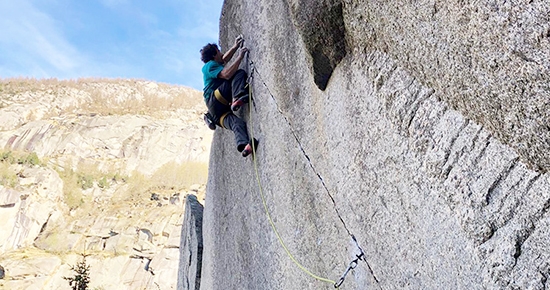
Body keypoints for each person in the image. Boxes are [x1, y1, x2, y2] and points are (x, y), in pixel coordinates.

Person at [200, 36, 257, 157]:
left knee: (237, 124)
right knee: (238, 73)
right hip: (215, 99)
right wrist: (240, 57)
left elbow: (224, 59)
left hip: (217, 115)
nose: (221, 53)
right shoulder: (210, 65)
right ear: (214, 55)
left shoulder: (212, 65)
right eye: (219, 51)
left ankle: (245, 146)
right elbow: (226, 74)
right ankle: (237, 98)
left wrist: (235, 46)